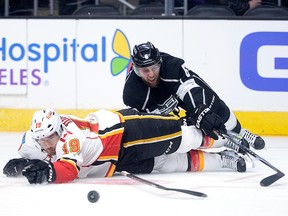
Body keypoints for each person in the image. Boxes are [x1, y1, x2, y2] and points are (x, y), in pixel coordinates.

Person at [3, 108, 248, 184]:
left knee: (184, 138)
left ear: (59, 131)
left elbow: (69, 171)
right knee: (172, 165)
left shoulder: (70, 139)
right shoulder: (37, 138)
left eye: (49, 139)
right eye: (41, 140)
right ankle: (222, 160)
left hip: (126, 135)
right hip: (117, 162)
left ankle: (228, 140)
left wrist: (48, 172)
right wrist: (23, 164)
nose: (45, 145)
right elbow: (20, 158)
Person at [122, 41, 265, 152]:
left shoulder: (171, 67)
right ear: (136, 70)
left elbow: (189, 88)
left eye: (154, 68)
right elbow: (150, 122)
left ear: (160, 63)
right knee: (177, 136)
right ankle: (224, 141)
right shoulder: (133, 93)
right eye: (145, 71)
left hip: (178, 92)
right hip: (159, 109)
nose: (151, 74)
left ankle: (241, 132)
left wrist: (199, 109)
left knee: (210, 104)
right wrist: (177, 123)